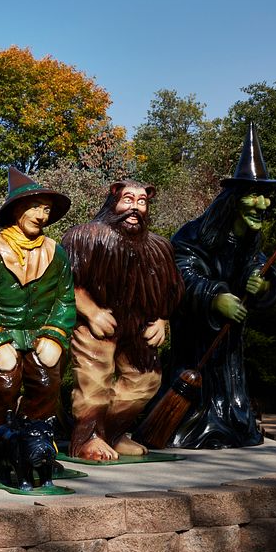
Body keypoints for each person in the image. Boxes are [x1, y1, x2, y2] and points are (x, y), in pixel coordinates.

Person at [163, 123, 276, 448]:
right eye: (254, 196)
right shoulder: (194, 235)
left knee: (230, 392)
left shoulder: (248, 238)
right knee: (196, 401)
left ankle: (232, 422)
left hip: (228, 346)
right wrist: (215, 296)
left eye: (265, 196)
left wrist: (261, 282)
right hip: (195, 343)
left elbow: (259, 265)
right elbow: (179, 273)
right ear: (233, 199)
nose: (263, 205)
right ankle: (197, 425)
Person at [61, 180, 183, 460]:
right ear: (113, 200)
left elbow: (172, 288)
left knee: (146, 380)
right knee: (95, 380)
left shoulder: (159, 247)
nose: (135, 208)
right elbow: (66, 282)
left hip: (138, 327)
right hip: (95, 323)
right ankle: (86, 438)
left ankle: (111, 434)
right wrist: (91, 311)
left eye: (142, 201)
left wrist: (161, 319)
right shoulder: (85, 236)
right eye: (128, 199)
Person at [0, 167, 76, 470]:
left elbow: (64, 298)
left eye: (46, 209)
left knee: (46, 382)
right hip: (2, 332)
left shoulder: (57, 253)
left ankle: (34, 439)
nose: (41, 215)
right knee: (4, 383)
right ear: (16, 210)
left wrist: (55, 333)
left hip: (41, 332)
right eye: (34, 207)